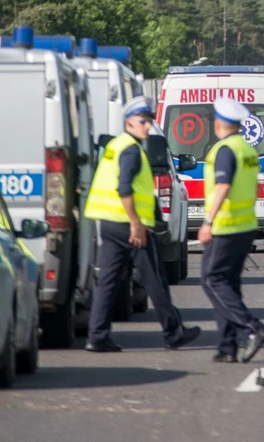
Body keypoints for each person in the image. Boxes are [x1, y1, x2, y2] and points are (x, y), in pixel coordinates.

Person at [85, 97, 200, 353]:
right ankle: (173, 332)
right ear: (128, 122)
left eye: (148, 122)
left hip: (109, 224)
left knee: (108, 281)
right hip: (130, 226)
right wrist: (136, 224)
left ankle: (97, 335)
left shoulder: (115, 145)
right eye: (142, 122)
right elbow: (124, 187)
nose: (147, 127)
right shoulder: (131, 150)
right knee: (154, 279)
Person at [200, 97, 264, 364]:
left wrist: (208, 222)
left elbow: (223, 186)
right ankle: (227, 346)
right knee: (228, 283)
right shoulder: (248, 150)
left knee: (211, 280)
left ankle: (252, 328)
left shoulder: (225, 149)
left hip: (226, 226)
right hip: (245, 226)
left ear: (219, 123)